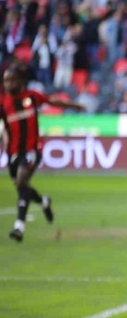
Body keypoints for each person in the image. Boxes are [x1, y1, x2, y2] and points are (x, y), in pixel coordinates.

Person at [1, 68, 85, 242]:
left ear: (20, 81)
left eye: (12, 80)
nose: (9, 84)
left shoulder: (31, 97)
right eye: (6, 81)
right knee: (21, 186)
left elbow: (52, 101)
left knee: (22, 181)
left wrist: (74, 106)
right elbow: (3, 129)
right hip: (13, 153)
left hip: (32, 150)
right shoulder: (3, 104)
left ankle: (19, 226)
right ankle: (44, 201)